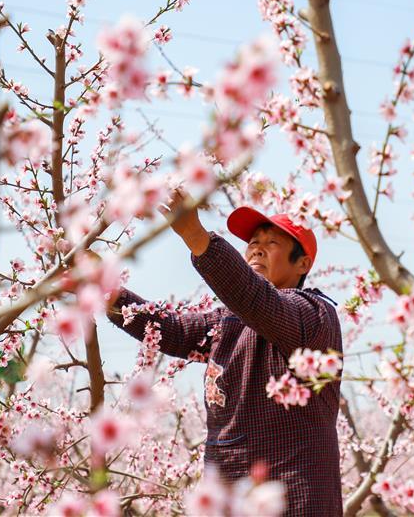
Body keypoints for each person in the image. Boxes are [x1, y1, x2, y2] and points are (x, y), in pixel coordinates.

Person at [105, 190, 344, 516]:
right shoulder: (227, 322)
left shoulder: (313, 314)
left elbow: (259, 301)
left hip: (293, 497)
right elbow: (171, 330)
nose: (257, 247)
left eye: (272, 242)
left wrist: (196, 237)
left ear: (302, 263)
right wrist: (106, 291)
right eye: (253, 242)